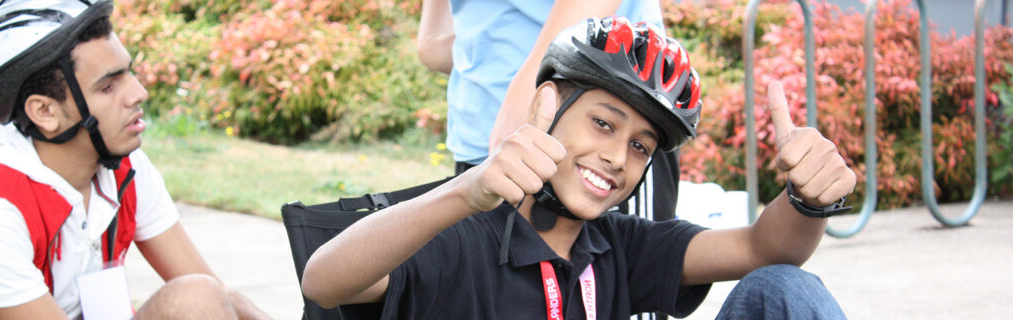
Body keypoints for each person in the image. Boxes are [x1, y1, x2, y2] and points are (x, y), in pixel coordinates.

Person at [303, 17, 856, 319]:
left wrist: (808, 197)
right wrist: (466, 190)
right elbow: (324, 282)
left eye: (642, 147)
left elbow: (766, 250)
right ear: (550, 106)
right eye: (603, 124)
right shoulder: (460, 235)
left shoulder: (615, 246)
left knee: (785, 290)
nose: (618, 157)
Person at [0, 0, 270, 319]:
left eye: (129, 74)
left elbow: (219, 296)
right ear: (45, 112)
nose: (138, 93)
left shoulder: (126, 168)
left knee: (208, 295)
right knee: (192, 299)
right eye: (108, 86)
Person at [420, 0, 680, 258]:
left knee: (621, 282)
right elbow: (432, 45)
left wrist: (525, 98)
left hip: (604, 118)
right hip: (483, 137)